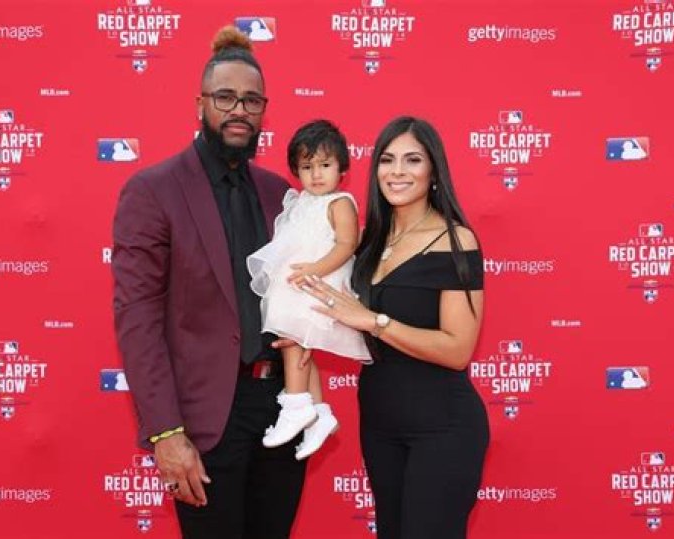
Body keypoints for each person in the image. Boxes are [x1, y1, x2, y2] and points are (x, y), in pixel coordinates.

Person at [112, 26, 306, 539]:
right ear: (200, 104)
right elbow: (138, 318)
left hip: (280, 411)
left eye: (252, 101)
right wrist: (165, 432)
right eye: (225, 97)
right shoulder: (153, 191)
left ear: (264, 110)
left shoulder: (279, 194)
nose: (239, 110)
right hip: (203, 420)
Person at [301, 116, 489, 538]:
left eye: (412, 160)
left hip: (443, 428)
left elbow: (458, 350)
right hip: (380, 425)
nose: (397, 171)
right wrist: (301, 335)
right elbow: (347, 317)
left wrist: (376, 322)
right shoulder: (368, 241)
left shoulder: (454, 240)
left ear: (433, 171)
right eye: (387, 160)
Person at [247, 120, 370, 460]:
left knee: (294, 343)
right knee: (298, 347)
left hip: (318, 287)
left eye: (325, 165)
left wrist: (315, 270)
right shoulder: (300, 201)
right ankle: (317, 413)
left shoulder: (340, 202)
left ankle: (296, 405)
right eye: (307, 167)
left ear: (342, 169)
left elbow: (346, 245)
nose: (316, 174)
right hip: (299, 284)